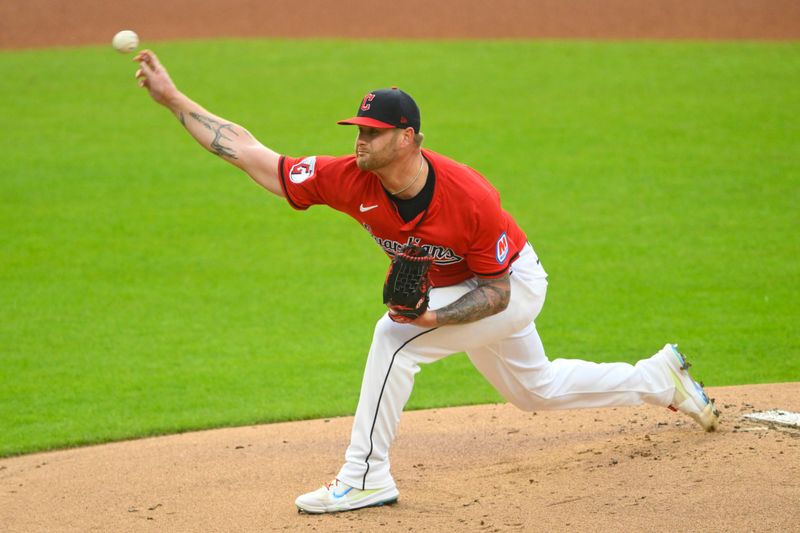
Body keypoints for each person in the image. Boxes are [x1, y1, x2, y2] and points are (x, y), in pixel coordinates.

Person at [134, 49, 720, 515]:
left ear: (410, 137)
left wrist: (432, 318)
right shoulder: (349, 177)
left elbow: (498, 293)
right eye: (357, 129)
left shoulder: (469, 197)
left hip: (510, 283)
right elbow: (251, 153)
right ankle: (659, 378)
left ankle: (365, 477)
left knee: (393, 340)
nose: (359, 141)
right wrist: (172, 99)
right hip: (465, 288)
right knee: (533, 391)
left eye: (373, 132)